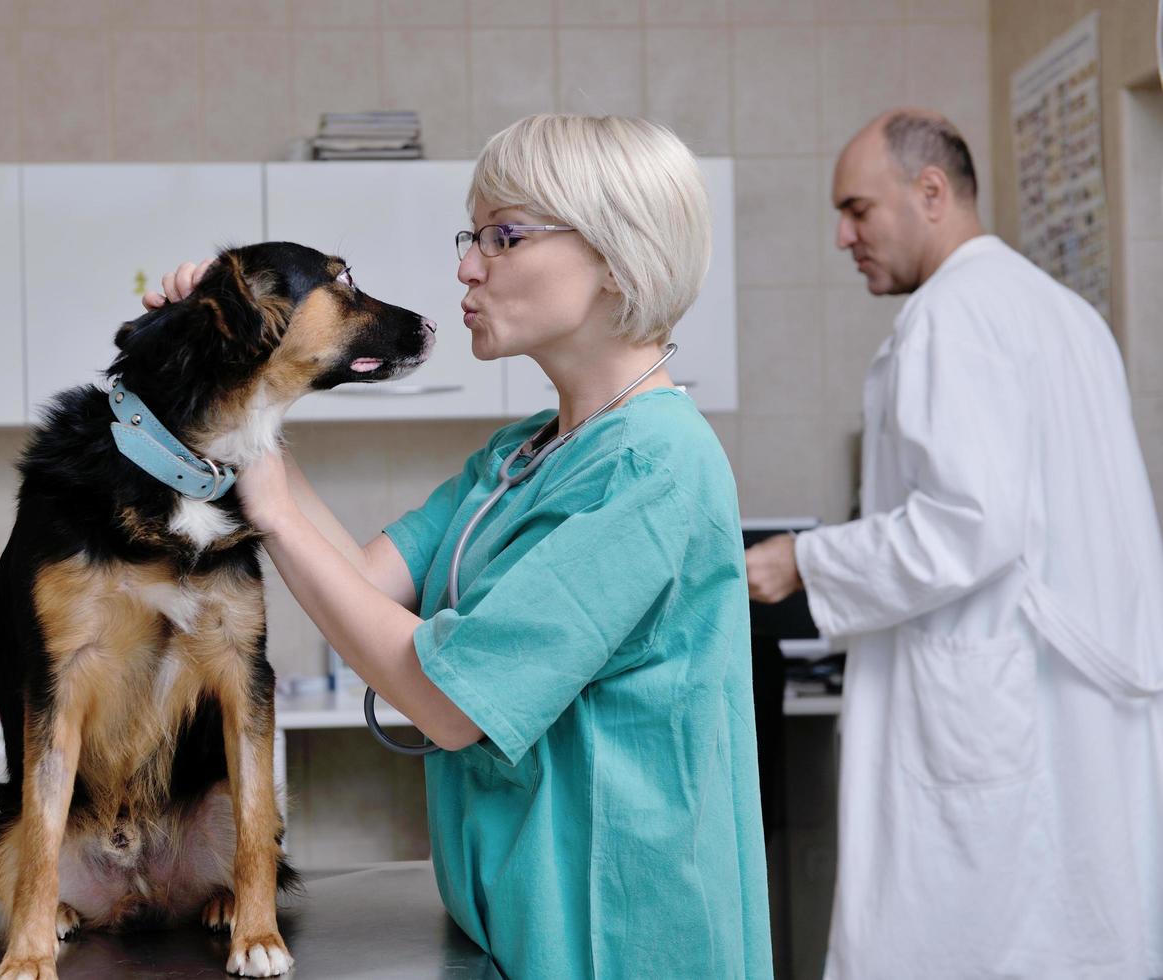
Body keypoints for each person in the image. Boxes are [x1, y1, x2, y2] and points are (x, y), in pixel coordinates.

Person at [147, 114, 773, 979]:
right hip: (517, 928)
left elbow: (450, 704)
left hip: (621, 937)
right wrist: (238, 366)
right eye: (470, 236)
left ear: (618, 255)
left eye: (504, 236)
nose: (467, 266)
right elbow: (363, 581)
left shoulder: (654, 466)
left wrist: (274, 512)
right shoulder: (524, 454)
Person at [745, 108, 1163, 979]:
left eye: (857, 209)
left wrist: (800, 561)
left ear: (930, 192)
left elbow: (968, 523)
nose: (841, 235)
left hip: (993, 717)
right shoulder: (1061, 312)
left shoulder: (956, 316)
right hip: (1064, 708)